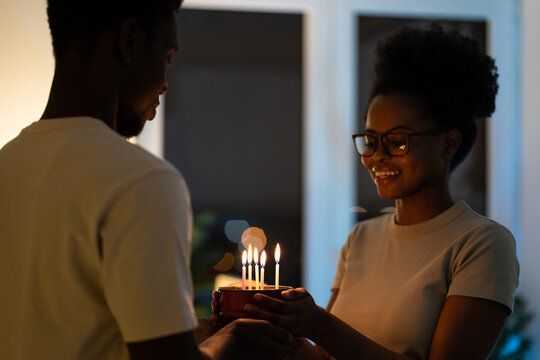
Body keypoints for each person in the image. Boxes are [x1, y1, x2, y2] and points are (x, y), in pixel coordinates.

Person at [0, 0, 299, 359]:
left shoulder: (8, 163)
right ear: (127, 40)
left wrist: (182, 334)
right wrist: (232, 340)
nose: (165, 85)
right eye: (167, 56)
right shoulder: (141, 180)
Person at [243, 24, 520, 359]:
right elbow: (327, 357)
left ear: (449, 142)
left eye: (398, 141)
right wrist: (259, 332)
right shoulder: (361, 238)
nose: (378, 156)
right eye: (371, 141)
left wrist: (320, 325)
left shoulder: (481, 243)